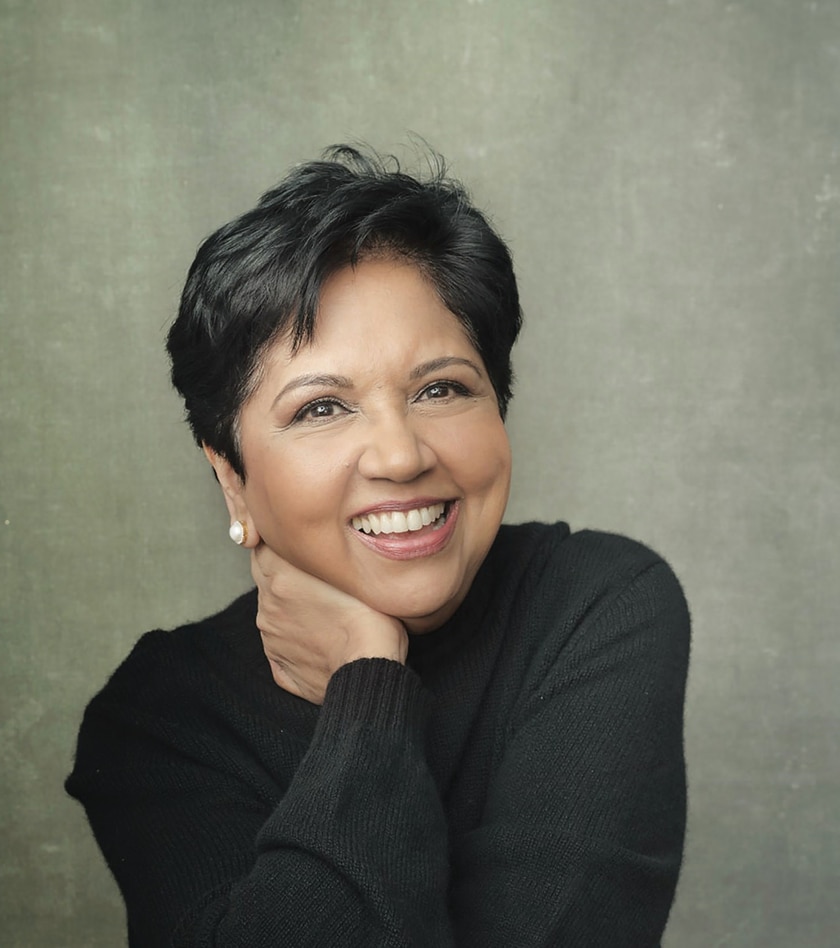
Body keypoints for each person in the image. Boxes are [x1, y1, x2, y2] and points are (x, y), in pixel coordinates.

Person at [65, 145, 690, 947]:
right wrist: (372, 683)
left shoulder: (596, 602)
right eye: (322, 408)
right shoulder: (161, 714)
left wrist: (362, 676)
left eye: (441, 389)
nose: (400, 456)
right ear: (232, 478)